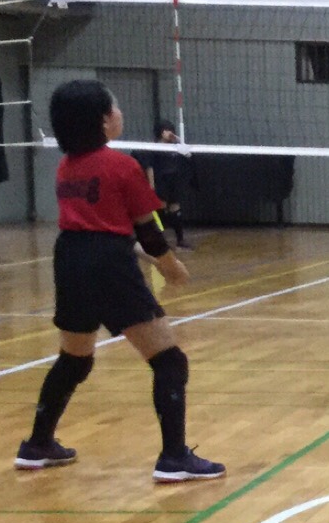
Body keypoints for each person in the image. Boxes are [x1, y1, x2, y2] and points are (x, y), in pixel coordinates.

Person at [13, 78, 223, 481]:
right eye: (114, 107)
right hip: (108, 265)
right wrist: (170, 266)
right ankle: (174, 458)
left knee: (74, 360)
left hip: (70, 258)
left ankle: (37, 445)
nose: (120, 112)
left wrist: (129, 248)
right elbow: (147, 230)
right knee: (169, 360)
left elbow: (97, 224)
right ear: (102, 120)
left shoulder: (66, 167)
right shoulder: (122, 166)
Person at [145, 120, 195, 248]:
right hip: (161, 181)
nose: (169, 133)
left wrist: (178, 140)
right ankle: (160, 238)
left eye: (170, 130)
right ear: (160, 132)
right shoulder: (154, 147)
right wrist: (151, 185)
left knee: (175, 208)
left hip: (174, 182)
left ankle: (180, 240)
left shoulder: (175, 146)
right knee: (160, 208)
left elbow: (188, 154)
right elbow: (149, 167)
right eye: (166, 130)